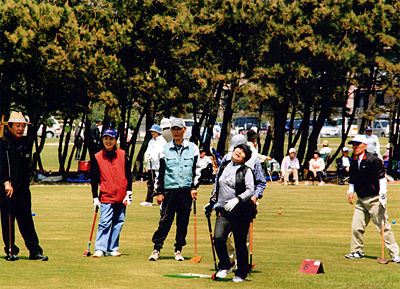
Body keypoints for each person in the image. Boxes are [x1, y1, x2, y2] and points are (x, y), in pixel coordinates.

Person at [149, 118, 200, 262]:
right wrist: (158, 192)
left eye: (179, 129)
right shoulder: (164, 149)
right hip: (169, 191)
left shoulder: (193, 148)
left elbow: (196, 169)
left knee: (183, 222)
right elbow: (160, 172)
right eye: (173, 129)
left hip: (186, 191)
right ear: (170, 131)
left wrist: (194, 187)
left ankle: (178, 250)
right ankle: (157, 248)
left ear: (184, 130)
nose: (176, 132)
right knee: (165, 220)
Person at [0, 111, 48, 261]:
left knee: (26, 219)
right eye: (18, 126)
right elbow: (2, 165)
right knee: (8, 219)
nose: (21, 129)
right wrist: (6, 182)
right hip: (7, 188)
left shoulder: (26, 142)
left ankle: (35, 250)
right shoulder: (3, 142)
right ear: (10, 126)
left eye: (23, 126)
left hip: (23, 188)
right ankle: (10, 251)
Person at [204, 144, 256, 282]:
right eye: (237, 149)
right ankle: (226, 265)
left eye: (243, 152)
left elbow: (251, 190)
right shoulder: (224, 165)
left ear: (246, 158)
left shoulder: (246, 171)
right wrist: (211, 202)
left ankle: (241, 274)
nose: (239, 152)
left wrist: (238, 199)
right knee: (218, 237)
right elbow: (218, 186)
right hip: (223, 210)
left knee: (240, 243)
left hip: (241, 212)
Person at [344, 135, 400, 262]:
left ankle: (395, 255)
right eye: (353, 145)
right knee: (356, 227)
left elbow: (382, 178)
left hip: (374, 199)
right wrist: (350, 191)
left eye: (357, 145)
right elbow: (352, 180)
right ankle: (357, 251)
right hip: (361, 200)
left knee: (384, 228)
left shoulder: (373, 160)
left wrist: (383, 195)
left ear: (364, 146)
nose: (354, 147)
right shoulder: (353, 162)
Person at [216, 134, 266, 268]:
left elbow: (261, 182)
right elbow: (219, 180)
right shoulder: (226, 159)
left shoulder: (253, 161)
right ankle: (230, 260)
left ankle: (241, 264)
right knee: (223, 236)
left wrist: (255, 195)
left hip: (244, 204)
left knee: (243, 238)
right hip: (225, 205)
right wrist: (214, 197)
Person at [90, 128, 132, 258]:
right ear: (102, 140)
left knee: (119, 221)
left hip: (121, 194)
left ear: (116, 140)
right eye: (106, 138)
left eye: (111, 139)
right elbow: (94, 179)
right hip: (106, 195)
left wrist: (129, 192)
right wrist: (95, 197)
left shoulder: (123, 154)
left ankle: (112, 248)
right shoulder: (97, 157)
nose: (108, 141)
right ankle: (100, 248)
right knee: (105, 222)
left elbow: (128, 175)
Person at [141, 124, 167, 207]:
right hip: (151, 165)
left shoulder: (161, 141)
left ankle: (162, 199)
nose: (152, 133)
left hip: (158, 166)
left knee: (157, 183)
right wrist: (147, 157)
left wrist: (154, 158)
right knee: (150, 183)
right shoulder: (151, 140)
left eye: (154, 131)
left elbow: (161, 153)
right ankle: (149, 200)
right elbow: (149, 150)